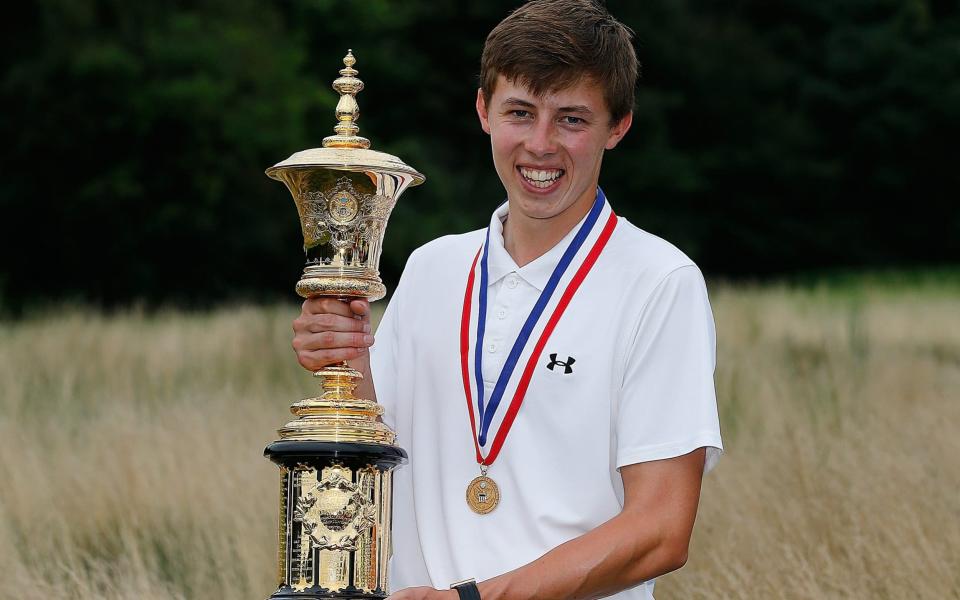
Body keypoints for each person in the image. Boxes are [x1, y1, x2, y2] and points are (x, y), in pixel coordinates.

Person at [291, 1, 723, 598]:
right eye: (520, 112)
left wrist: (472, 599)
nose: (540, 145)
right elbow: (380, 458)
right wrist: (345, 362)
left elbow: (661, 529)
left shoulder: (659, 281)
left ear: (618, 125)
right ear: (483, 111)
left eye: (571, 119)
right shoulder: (431, 267)